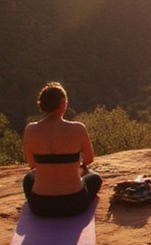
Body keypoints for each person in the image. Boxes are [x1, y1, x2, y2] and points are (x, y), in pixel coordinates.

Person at [22, 82, 102, 217]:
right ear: (63, 103)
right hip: (75, 203)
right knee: (95, 178)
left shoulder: (30, 130)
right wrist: (77, 168)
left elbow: (32, 164)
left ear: (42, 105)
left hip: (41, 205)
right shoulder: (78, 128)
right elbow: (89, 158)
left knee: (28, 179)